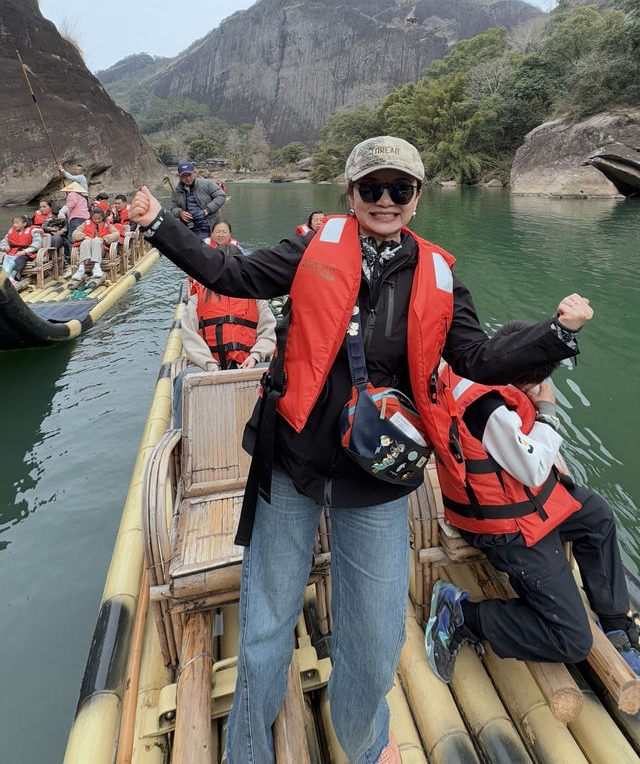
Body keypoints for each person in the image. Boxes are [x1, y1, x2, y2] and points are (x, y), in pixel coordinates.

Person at [130, 135, 591, 764]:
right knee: (265, 628)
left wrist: (554, 335)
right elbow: (231, 274)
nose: (384, 200)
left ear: (416, 199)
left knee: (374, 637)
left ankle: (365, 739)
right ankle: (246, 750)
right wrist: (158, 224)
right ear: (350, 194)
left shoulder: (438, 272)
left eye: (399, 189)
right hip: (294, 458)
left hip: (378, 473)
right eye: (371, 188)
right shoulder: (310, 248)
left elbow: (478, 358)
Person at [425, 320, 639, 682]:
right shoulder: (486, 407)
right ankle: (463, 615)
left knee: (597, 516)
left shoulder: (485, 372)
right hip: (504, 526)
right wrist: (546, 411)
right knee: (572, 640)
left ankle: (616, 623)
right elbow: (535, 468)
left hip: (529, 503)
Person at [174, 242, 277, 425]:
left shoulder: (256, 297)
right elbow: (190, 337)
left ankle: (271, 430)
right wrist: (210, 366)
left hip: (249, 364)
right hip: (210, 366)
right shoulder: (198, 298)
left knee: (276, 375)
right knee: (183, 379)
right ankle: (183, 436)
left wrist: (254, 356)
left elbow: (268, 332)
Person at [170, 162, 226, 240]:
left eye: (189, 175)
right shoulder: (176, 190)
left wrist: (207, 210)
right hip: (188, 226)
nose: (188, 178)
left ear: (194, 173)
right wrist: (180, 213)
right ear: (179, 177)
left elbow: (221, 196)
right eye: (184, 176)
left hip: (207, 225)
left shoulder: (207, 183)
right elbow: (173, 208)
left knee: (201, 245)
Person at [70, 205, 120, 284]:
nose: (97, 220)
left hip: (101, 249)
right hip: (87, 250)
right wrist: (84, 237)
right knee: (85, 242)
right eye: (95, 219)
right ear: (91, 217)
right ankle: (81, 268)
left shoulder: (107, 225)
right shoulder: (85, 224)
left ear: (102, 217)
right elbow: (75, 234)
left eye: (99, 219)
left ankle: (97, 267)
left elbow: (117, 234)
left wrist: (105, 239)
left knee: (96, 240)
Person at [1, 214, 43, 285]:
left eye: (17, 223)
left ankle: (13, 277)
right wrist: (4, 247)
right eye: (14, 223)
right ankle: (3, 276)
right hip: (14, 252)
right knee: (4, 258)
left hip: (29, 253)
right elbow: (4, 241)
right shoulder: (11, 231)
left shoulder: (33, 231)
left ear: (24, 224)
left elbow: (37, 243)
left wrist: (24, 251)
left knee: (20, 259)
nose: (14, 225)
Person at [59, 181, 90, 267]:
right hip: (85, 219)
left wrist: (62, 211)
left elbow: (72, 203)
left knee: (72, 239)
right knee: (82, 238)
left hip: (76, 219)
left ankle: (74, 259)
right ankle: (84, 258)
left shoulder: (72, 194)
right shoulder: (83, 198)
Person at [33, 198, 68, 263]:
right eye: (40, 207)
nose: (42, 209)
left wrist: (61, 231)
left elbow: (66, 226)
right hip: (44, 235)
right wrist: (50, 229)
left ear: (51, 207)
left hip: (59, 235)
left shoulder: (61, 215)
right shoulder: (43, 217)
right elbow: (43, 226)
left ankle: (52, 257)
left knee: (57, 238)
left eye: (44, 207)